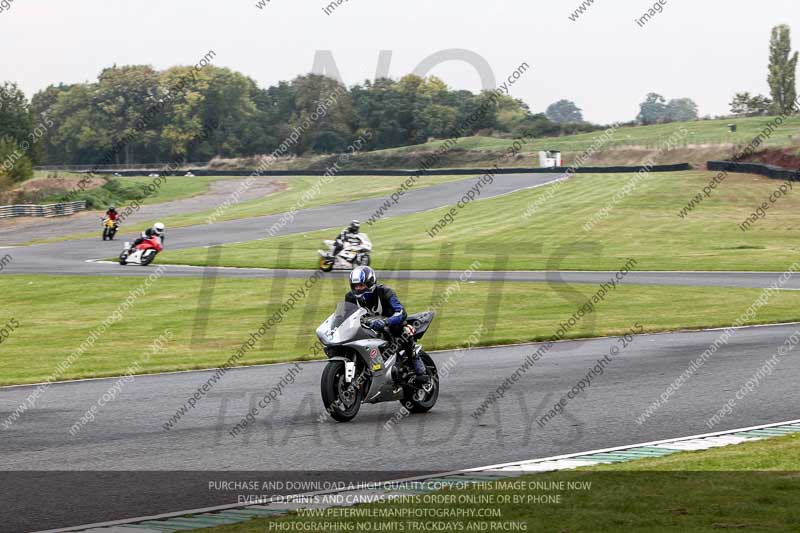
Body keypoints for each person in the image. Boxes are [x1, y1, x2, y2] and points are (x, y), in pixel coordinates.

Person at [345, 266, 429, 383]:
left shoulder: (385, 292)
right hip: (368, 328)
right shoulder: (350, 297)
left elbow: (401, 312)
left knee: (403, 331)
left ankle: (415, 359)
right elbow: (346, 316)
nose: (358, 289)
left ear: (370, 284)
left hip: (392, 325)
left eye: (361, 285)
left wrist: (386, 321)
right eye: (355, 286)